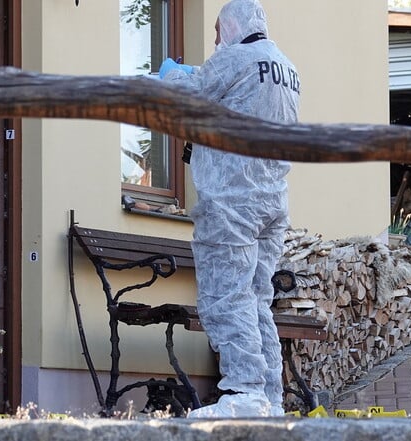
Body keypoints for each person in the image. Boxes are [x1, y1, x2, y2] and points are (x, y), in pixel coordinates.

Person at [158, 0, 301, 418]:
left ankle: (244, 392)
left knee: (227, 296)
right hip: (271, 199)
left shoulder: (235, 59)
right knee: (257, 299)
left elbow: (187, 95)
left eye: (218, 30)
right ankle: (269, 398)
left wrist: (167, 76)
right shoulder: (286, 68)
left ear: (232, 25)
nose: (216, 40)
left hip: (232, 199)